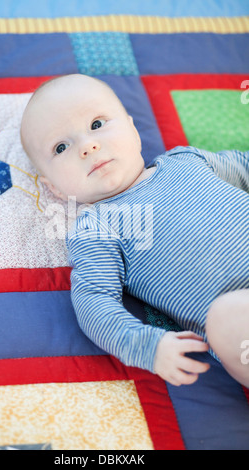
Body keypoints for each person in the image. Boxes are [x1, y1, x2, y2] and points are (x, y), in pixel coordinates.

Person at [20, 73, 249, 387]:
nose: (88, 145)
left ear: (132, 127)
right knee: (227, 317)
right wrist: (148, 347)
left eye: (97, 124)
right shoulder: (96, 227)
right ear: (54, 188)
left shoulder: (187, 160)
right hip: (240, 312)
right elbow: (94, 302)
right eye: (61, 147)